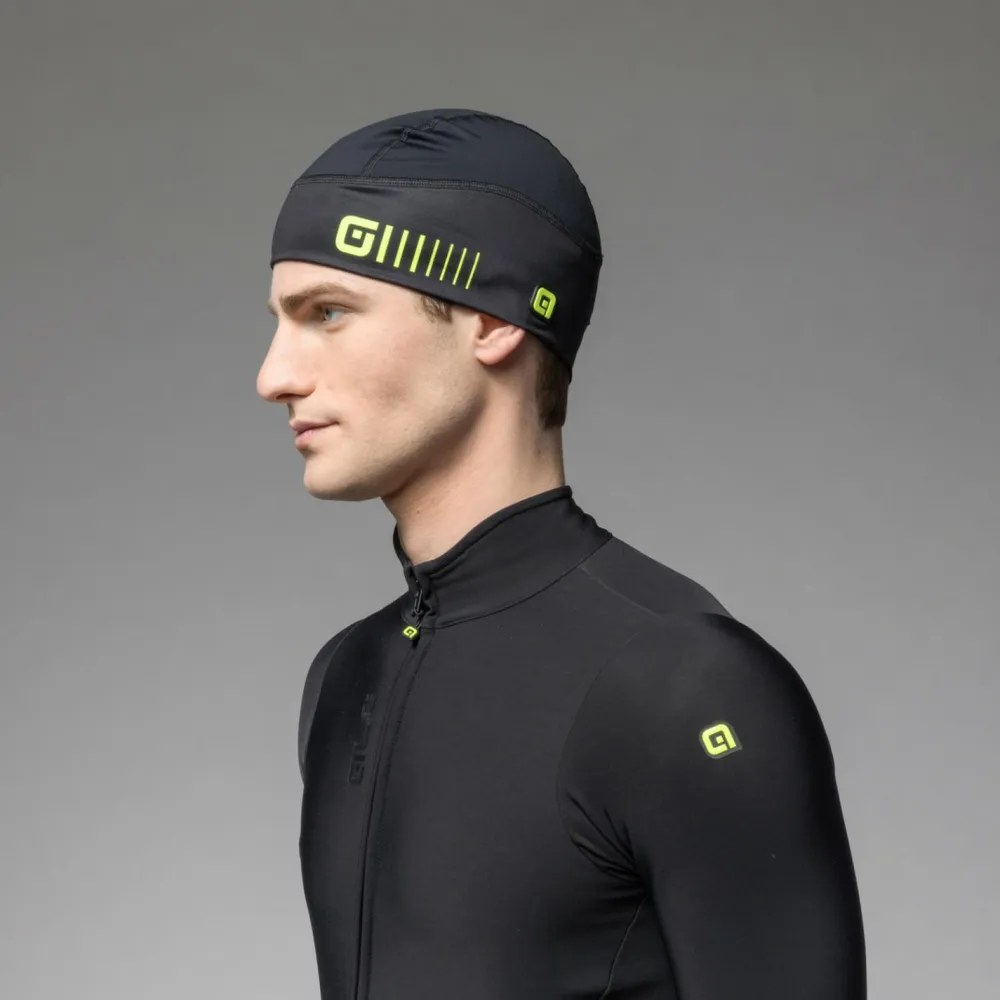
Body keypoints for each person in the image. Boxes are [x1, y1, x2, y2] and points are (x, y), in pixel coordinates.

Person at [256, 108, 867, 1000]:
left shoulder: (684, 686)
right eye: (282, 320)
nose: (274, 375)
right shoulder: (345, 675)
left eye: (329, 313)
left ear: (491, 322)